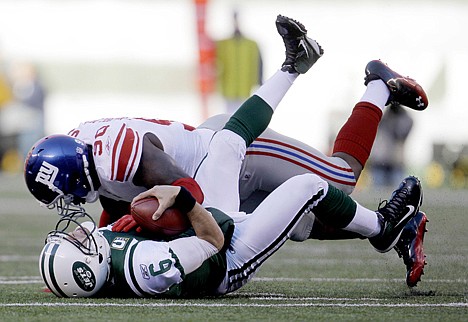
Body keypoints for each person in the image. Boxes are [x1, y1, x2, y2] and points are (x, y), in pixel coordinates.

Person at [25, 15, 428, 287]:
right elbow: (117, 201)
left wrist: (140, 223)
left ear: (74, 175)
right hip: (211, 175)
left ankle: (375, 84)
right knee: (299, 224)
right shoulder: (89, 156)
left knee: (338, 180)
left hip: (227, 160)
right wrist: (92, 248)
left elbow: (187, 192)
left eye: (62, 196)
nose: (65, 206)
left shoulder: (118, 153)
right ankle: (390, 229)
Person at [39, 173, 423, 298]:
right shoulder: (145, 269)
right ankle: (383, 229)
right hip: (229, 256)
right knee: (308, 187)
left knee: (225, 141)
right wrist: (181, 196)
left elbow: (94, 244)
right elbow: (212, 241)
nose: (78, 234)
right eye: (75, 244)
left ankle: (291, 67)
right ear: (88, 270)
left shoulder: (97, 262)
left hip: (208, 228)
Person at [215, 9, 263, 113]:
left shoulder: (251, 44)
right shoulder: (223, 44)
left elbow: (259, 64)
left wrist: (260, 82)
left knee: (242, 114)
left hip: (244, 87)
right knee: (228, 116)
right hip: (228, 88)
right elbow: (215, 63)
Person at [369, 104, 414, 187]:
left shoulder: (405, 118)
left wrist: (398, 114)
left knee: (397, 194)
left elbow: (400, 133)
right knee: (378, 195)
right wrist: (388, 114)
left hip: (396, 162)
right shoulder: (384, 116)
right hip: (380, 161)